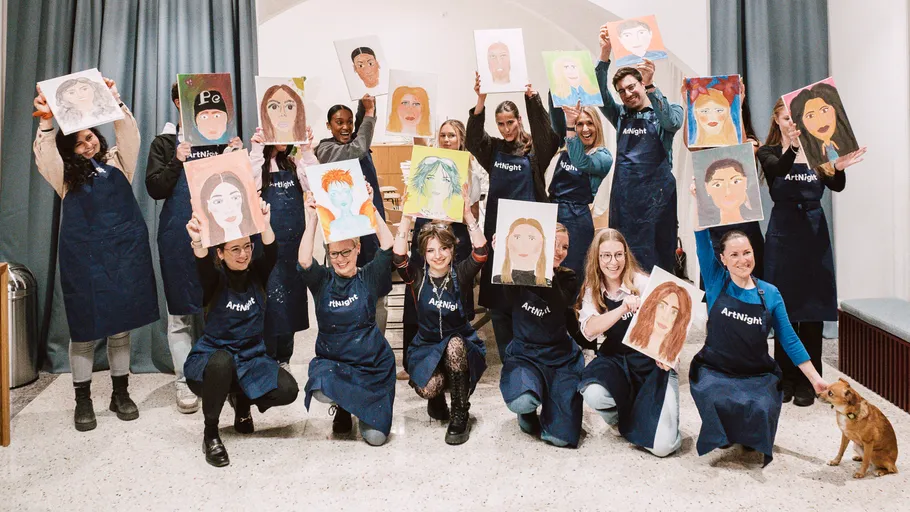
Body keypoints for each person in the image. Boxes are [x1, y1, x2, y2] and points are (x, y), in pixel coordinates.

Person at [33, 80, 157, 432]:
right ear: (69, 151)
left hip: (122, 257)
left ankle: (121, 393)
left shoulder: (120, 163)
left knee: (120, 329)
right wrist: (45, 121)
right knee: (84, 332)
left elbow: (128, 133)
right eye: (78, 142)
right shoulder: (64, 179)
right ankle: (82, 399)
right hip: (84, 261)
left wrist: (112, 101)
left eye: (90, 137)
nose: (87, 145)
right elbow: (46, 156)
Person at [690, 213, 829, 465]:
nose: (743, 260)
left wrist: (815, 379)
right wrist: (700, 201)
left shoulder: (771, 293)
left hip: (756, 372)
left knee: (761, 408)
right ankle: (726, 429)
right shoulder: (715, 281)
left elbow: (790, 340)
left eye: (747, 252)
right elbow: (700, 238)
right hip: (716, 369)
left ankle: (744, 428)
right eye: (734, 255)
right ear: (722, 259)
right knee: (716, 399)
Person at [757, 99, 866, 406]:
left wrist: (839, 167)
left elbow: (837, 185)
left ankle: (810, 378)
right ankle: (785, 376)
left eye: (796, 118)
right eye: (786, 117)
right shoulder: (768, 153)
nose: (792, 123)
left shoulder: (819, 151)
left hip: (814, 234)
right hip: (782, 234)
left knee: (813, 306)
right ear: (777, 120)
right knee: (784, 307)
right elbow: (779, 171)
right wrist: (792, 147)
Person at [146, 82, 242, 414]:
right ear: (178, 103)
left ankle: (223, 377)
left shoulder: (219, 142)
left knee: (221, 307)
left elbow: (235, 186)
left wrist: (237, 156)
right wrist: (177, 160)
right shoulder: (164, 143)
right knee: (180, 316)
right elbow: (155, 188)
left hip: (219, 235)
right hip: (177, 235)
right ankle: (184, 381)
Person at [183, 200, 299, 467]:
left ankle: (241, 402)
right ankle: (210, 434)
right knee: (223, 363)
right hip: (213, 358)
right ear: (221, 253)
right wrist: (198, 242)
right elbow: (202, 265)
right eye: (235, 249)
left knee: (288, 389)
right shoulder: (215, 278)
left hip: (250, 357)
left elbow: (271, 253)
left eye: (247, 247)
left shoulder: (256, 273)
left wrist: (265, 223)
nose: (243, 254)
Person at [466, 75, 561, 361]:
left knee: (529, 295)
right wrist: (480, 99)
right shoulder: (493, 149)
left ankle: (529, 353)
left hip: (530, 235)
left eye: (511, 122)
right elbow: (472, 139)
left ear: (519, 119)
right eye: (501, 124)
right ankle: (509, 357)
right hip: (499, 234)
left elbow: (548, 135)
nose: (507, 129)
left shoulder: (534, 152)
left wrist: (531, 97)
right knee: (499, 300)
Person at [299, 184, 396, 446]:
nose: (340, 259)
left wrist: (370, 208)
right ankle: (343, 405)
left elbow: (388, 246)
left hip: (372, 366)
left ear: (357, 248)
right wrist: (311, 220)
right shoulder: (322, 281)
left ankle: (363, 407)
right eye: (334, 254)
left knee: (376, 439)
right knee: (320, 387)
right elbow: (305, 261)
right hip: (337, 364)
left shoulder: (369, 276)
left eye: (346, 252)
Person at [393, 184, 488, 444]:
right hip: (426, 344)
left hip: (460, 341)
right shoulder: (417, 276)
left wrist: (468, 216)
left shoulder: (461, 273)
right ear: (424, 253)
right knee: (428, 387)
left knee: (455, 345)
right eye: (431, 250)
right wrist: (407, 215)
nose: (438, 256)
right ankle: (438, 398)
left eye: (444, 249)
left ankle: (460, 414)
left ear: (452, 250)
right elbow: (399, 255)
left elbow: (481, 253)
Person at [577, 229, 681, 457]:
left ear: (626, 255)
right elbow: (589, 330)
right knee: (593, 393)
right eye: (606, 256)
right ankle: (622, 419)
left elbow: (674, 324)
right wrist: (623, 307)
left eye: (618, 255)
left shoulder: (643, 283)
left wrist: (668, 355)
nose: (613, 262)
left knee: (663, 447)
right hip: (616, 359)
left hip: (650, 362)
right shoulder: (591, 289)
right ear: (597, 258)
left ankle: (646, 416)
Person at [401, 120, 485, 381]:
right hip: (427, 236)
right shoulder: (429, 162)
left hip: (455, 236)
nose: (447, 139)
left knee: (453, 301)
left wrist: (451, 218)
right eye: (443, 135)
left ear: (461, 138)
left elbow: (472, 210)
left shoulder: (468, 168)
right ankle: (414, 363)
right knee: (418, 299)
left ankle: (454, 365)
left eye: (452, 135)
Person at [596, 24, 683, 273]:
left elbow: (671, 122)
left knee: (659, 256)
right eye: (621, 91)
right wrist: (604, 54)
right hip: (625, 200)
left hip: (658, 200)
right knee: (625, 259)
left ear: (643, 84)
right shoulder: (620, 115)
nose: (627, 93)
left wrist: (653, 86)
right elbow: (599, 93)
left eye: (632, 86)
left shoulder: (670, 109)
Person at [500, 224, 584, 447]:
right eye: (554, 244)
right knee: (523, 401)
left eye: (564, 246)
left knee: (560, 437)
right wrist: (504, 253)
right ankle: (528, 410)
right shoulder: (520, 274)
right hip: (525, 354)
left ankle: (552, 399)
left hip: (560, 357)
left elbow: (558, 304)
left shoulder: (568, 277)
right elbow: (505, 296)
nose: (559, 251)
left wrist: (546, 266)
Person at [316, 96, 390, 328]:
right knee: (347, 290)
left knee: (377, 288)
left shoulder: (356, 142)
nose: (346, 127)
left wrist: (364, 102)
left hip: (370, 228)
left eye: (350, 122)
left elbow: (359, 138)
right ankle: (350, 340)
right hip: (345, 235)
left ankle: (376, 341)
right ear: (329, 125)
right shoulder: (326, 149)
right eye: (339, 122)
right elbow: (358, 148)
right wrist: (368, 113)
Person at [250, 124, 317, 369]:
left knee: (291, 301)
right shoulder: (259, 165)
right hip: (268, 247)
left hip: (294, 246)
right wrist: (256, 150)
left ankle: (284, 359)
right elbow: (248, 182)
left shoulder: (293, 164)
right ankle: (267, 358)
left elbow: (315, 186)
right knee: (270, 303)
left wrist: (307, 151)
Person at [547, 99, 613, 278]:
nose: (585, 129)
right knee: (548, 270)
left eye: (589, 123)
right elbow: (555, 111)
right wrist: (556, 85)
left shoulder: (602, 157)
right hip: (553, 213)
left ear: (597, 126)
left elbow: (580, 161)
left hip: (577, 220)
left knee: (572, 274)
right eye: (579, 124)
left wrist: (570, 127)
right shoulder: (566, 145)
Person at [705, 101, 764, 279]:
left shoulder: (751, 141)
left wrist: (736, 107)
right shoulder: (709, 142)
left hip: (745, 218)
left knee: (750, 269)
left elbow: (742, 151)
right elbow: (692, 146)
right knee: (718, 272)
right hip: (717, 219)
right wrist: (688, 107)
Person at [787, 82, 859, 169]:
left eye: (824, 110)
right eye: (810, 116)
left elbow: (836, 182)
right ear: (801, 123)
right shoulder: (807, 153)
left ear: (836, 110)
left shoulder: (848, 142)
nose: (820, 121)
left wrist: (839, 169)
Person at [492, 217, 551, 286]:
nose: (523, 245)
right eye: (517, 237)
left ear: (541, 245)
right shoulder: (496, 280)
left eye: (531, 238)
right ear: (507, 243)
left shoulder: (547, 283)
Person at [53, 76, 119, 128]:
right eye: (71, 93)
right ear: (62, 97)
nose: (80, 94)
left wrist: (116, 99)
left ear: (93, 88)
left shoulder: (107, 111)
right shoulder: (65, 119)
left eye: (84, 89)